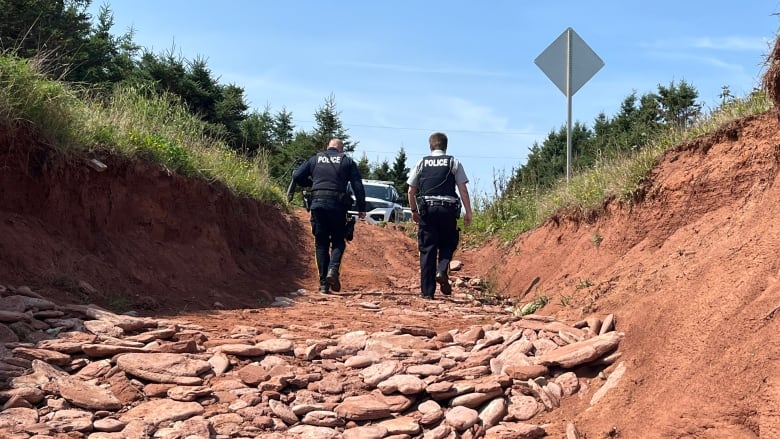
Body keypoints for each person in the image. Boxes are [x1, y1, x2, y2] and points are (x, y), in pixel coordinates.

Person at [293, 138, 366, 294]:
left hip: (317, 205)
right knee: (339, 240)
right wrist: (361, 207)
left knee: (321, 244)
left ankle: (323, 285)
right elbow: (357, 185)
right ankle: (333, 269)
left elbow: (297, 175)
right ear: (341, 149)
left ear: (328, 147)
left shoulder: (315, 159)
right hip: (338, 206)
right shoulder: (347, 161)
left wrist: (311, 184)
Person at [407, 132, 473, 299]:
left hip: (427, 210)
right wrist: (468, 212)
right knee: (448, 242)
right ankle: (442, 269)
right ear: (446, 146)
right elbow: (463, 189)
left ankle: (427, 293)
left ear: (430, 146)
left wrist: (414, 211)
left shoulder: (421, 163)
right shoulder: (453, 162)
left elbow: (411, 190)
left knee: (427, 249)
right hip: (447, 210)